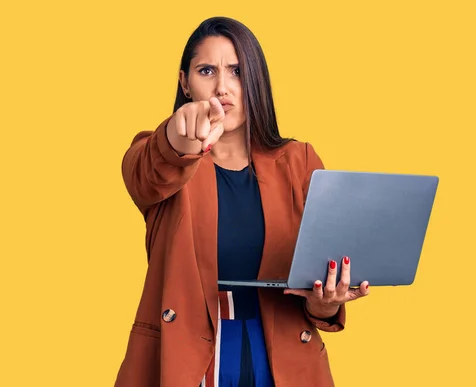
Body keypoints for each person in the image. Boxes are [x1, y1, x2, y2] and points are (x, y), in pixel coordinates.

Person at [115, 16, 370, 387]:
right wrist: (177, 138)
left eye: (237, 71)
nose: (223, 87)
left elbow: (315, 285)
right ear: (185, 83)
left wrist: (325, 303)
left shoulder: (300, 163)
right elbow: (147, 172)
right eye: (206, 71)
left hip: (282, 357)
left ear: (256, 81)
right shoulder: (163, 158)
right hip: (187, 357)